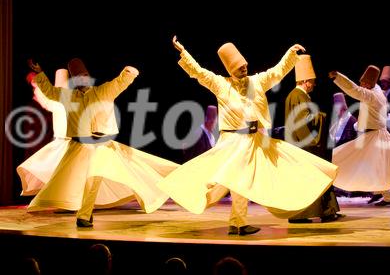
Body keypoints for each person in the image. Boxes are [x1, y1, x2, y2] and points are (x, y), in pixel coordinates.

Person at [158, 36, 337, 236]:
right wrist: (183, 52)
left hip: (254, 140)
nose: (244, 69)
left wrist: (290, 54)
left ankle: (239, 222)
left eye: (244, 65)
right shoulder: (221, 85)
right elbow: (198, 72)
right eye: (239, 67)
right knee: (226, 180)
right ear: (230, 70)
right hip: (232, 141)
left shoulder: (257, 81)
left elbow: (277, 72)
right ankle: (232, 219)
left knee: (269, 169)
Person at [26, 58, 179, 227]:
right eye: (77, 77)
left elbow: (120, 82)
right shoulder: (69, 96)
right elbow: (49, 91)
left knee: (97, 178)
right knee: (66, 180)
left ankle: (84, 216)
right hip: (78, 146)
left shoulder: (103, 91)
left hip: (101, 147)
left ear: (88, 75)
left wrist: (128, 72)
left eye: (83, 75)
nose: (81, 79)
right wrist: (40, 73)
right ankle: (68, 208)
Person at [328, 65, 390, 206]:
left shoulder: (371, 95)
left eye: (363, 82)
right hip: (378, 134)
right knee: (380, 167)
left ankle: (383, 194)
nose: (361, 84)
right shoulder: (377, 91)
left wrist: (338, 77)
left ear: (368, 84)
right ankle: (385, 196)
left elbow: (354, 90)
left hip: (374, 135)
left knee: (346, 157)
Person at [284, 54, 341, 223]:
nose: (314, 85)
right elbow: (303, 121)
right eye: (313, 81)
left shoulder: (297, 96)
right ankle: (305, 214)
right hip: (304, 146)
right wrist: (321, 117)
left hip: (301, 145)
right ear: (306, 81)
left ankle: (326, 211)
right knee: (312, 178)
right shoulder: (297, 96)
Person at [17, 69, 71, 196]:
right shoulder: (67, 99)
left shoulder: (58, 100)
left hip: (66, 141)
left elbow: (44, 97)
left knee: (61, 171)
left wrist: (35, 82)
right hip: (63, 141)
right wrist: (35, 82)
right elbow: (44, 97)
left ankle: (64, 196)